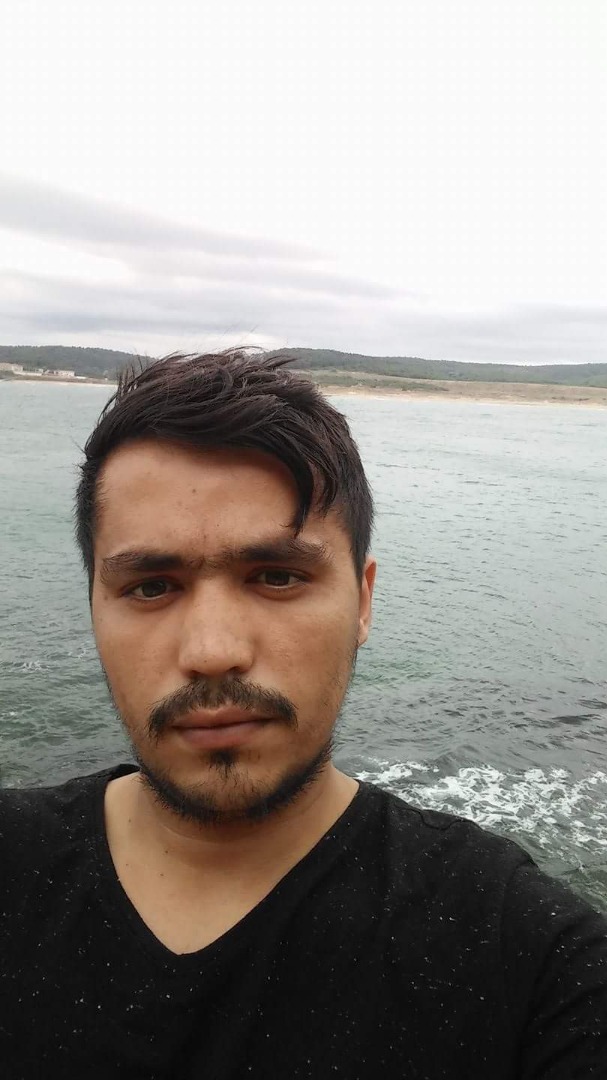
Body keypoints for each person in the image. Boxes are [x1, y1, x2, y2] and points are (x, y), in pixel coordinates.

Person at [0, 351, 605, 1079]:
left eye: (278, 576)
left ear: (363, 602)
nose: (213, 652)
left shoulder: (526, 953)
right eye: (151, 587)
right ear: (95, 609)